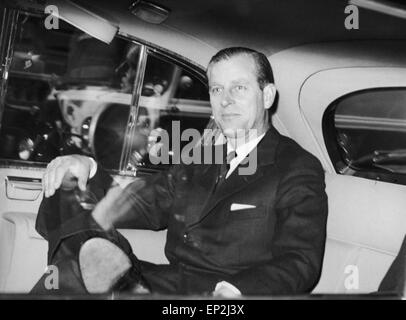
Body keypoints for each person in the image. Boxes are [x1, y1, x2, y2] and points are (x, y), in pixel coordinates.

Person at [32, 47, 328, 297]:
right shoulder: (201, 156)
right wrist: (89, 167)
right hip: (160, 284)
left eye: (238, 88)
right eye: (216, 89)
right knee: (69, 202)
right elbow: (141, 205)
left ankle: (115, 282)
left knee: (75, 272)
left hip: (218, 295)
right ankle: (120, 281)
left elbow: (300, 261)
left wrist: (237, 291)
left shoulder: (296, 166)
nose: (225, 101)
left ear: (267, 96)